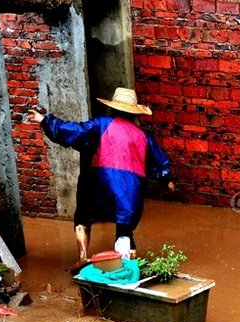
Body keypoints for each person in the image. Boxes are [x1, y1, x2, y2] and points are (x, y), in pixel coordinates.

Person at [28, 87, 174, 271]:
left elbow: (75, 132)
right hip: (130, 189)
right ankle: (126, 264)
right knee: (125, 227)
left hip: (98, 181)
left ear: (113, 108)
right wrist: (166, 179)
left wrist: (46, 121)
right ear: (134, 113)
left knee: (83, 217)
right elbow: (159, 161)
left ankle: (83, 257)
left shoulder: (101, 124)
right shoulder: (142, 136)